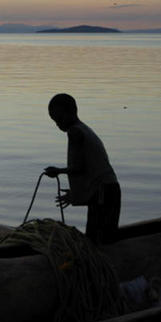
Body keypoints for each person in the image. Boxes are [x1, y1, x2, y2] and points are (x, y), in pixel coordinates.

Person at [44, 93, 121, 244]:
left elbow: (78, 168)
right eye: (55, 121)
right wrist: (76, 193)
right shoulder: (84, 129)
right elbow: (92, 170)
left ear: (71, 112)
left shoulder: (75, 132)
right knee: (105, 238)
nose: (58, 124)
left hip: (103, 192)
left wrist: (57, 171)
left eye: (59, 118)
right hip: (109, 189)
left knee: (95, 240)